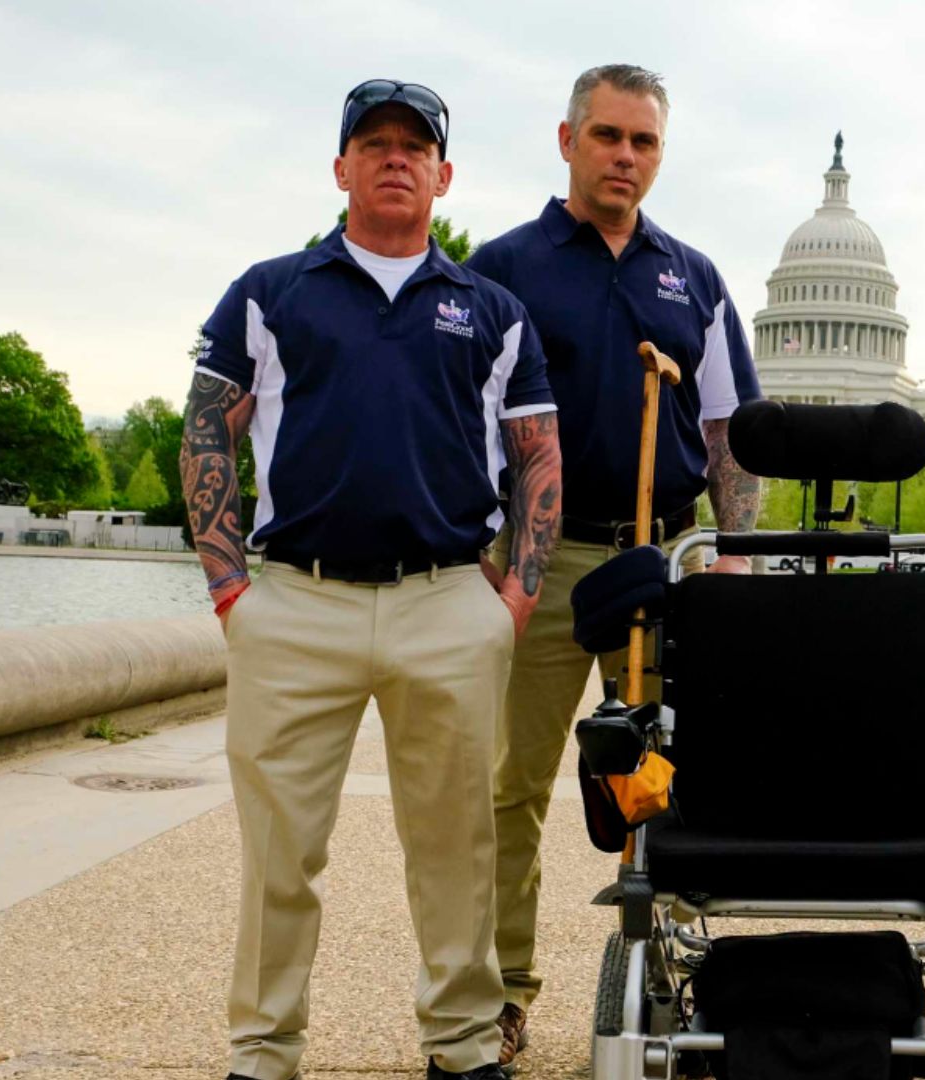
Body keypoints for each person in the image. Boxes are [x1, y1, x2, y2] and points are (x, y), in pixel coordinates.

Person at [179, 79, 561, 1080]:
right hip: (297, 604)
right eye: (374, 144)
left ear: (443, 174)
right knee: (281, 852)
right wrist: (230, 588)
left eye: (413, 147)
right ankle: (263, 1052)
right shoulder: (269, 293)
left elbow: (536, 459)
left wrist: (511, 603)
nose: (395, 158)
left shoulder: (493, 311)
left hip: (446, 601)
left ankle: (464, 1043)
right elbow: (207, 433)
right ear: (341, 168)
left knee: (456, 848)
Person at [462, 63, 763, 1064]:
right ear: (567, 139)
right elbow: (463, 422)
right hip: (542, 561)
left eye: (644, 143)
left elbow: (726, 430)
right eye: (607, 137)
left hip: (665, 556)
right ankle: (501, 997)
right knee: (511, 787)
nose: (625, 158)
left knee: (669, 775)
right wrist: (481, 555)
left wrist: (736, 556)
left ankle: (674, 976)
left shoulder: (696, 276)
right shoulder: (502, 267)